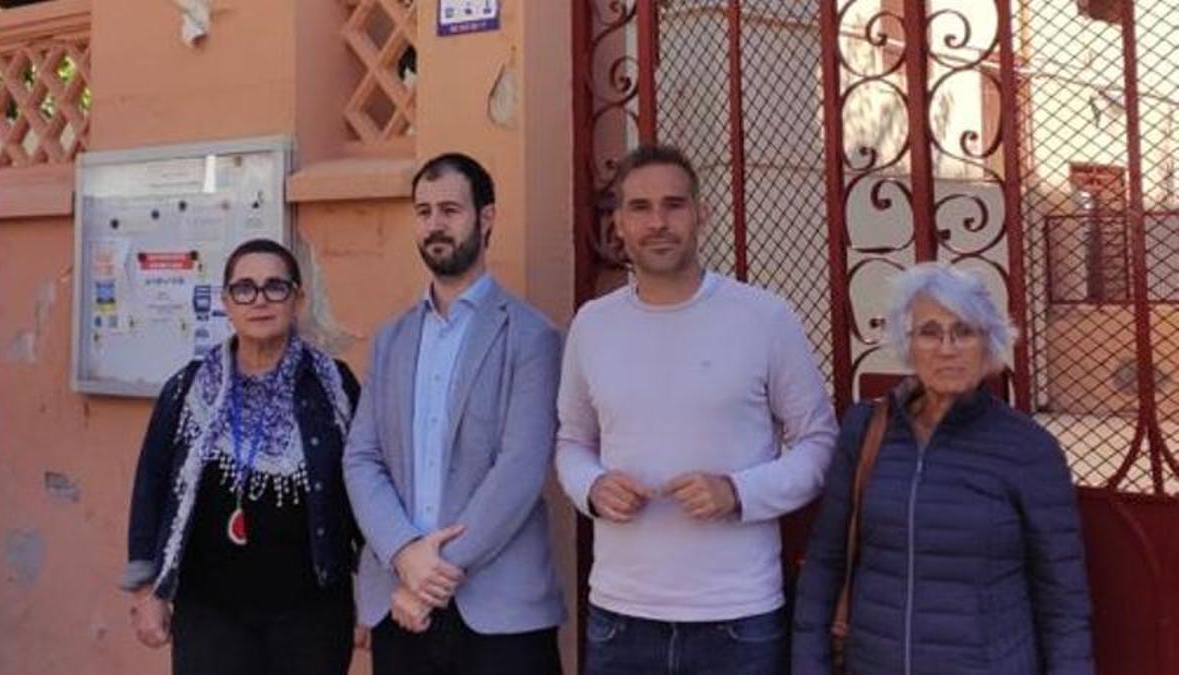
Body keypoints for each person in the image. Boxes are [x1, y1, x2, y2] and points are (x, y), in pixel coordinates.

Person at [555, 144, 838, 675]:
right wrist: (591, 487)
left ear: (701, 213)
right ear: (618, 223)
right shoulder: (592, 326)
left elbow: (819, 444)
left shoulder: (764, 318)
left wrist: (738, 493)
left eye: (673, 205)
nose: (658, 222)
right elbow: (572, 441)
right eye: (639, 208)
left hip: (738, 617)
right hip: (620, 617)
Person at [792, 262, 1094, 674]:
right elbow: (826, 561)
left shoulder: (1028, 448)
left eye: (965, 331)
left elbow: (1063, 600)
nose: (947, 348)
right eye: (930, 332)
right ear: (907, 343)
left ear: (988, 344)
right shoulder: (865, 430)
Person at [344, 152, 566, 674]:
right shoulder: (391, 339)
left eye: (450, 209)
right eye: (423, 212)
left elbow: (521, 469)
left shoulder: (532, 336)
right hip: (400, 605)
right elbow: (361, 457)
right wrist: (403, 554)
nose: (435, 225)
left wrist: (434, 574)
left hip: (501, 615)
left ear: (485, 218)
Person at [121, 238, 362, 675]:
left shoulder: (333, 386)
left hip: (312, 616)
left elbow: (364, 480)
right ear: (226, 302)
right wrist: (145, 591)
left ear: (298, 299)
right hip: (211, 615)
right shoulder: (187, 389)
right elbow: (151, 484)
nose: (260, 300)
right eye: (244, 288)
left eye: (276, 287)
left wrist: (377, 591)